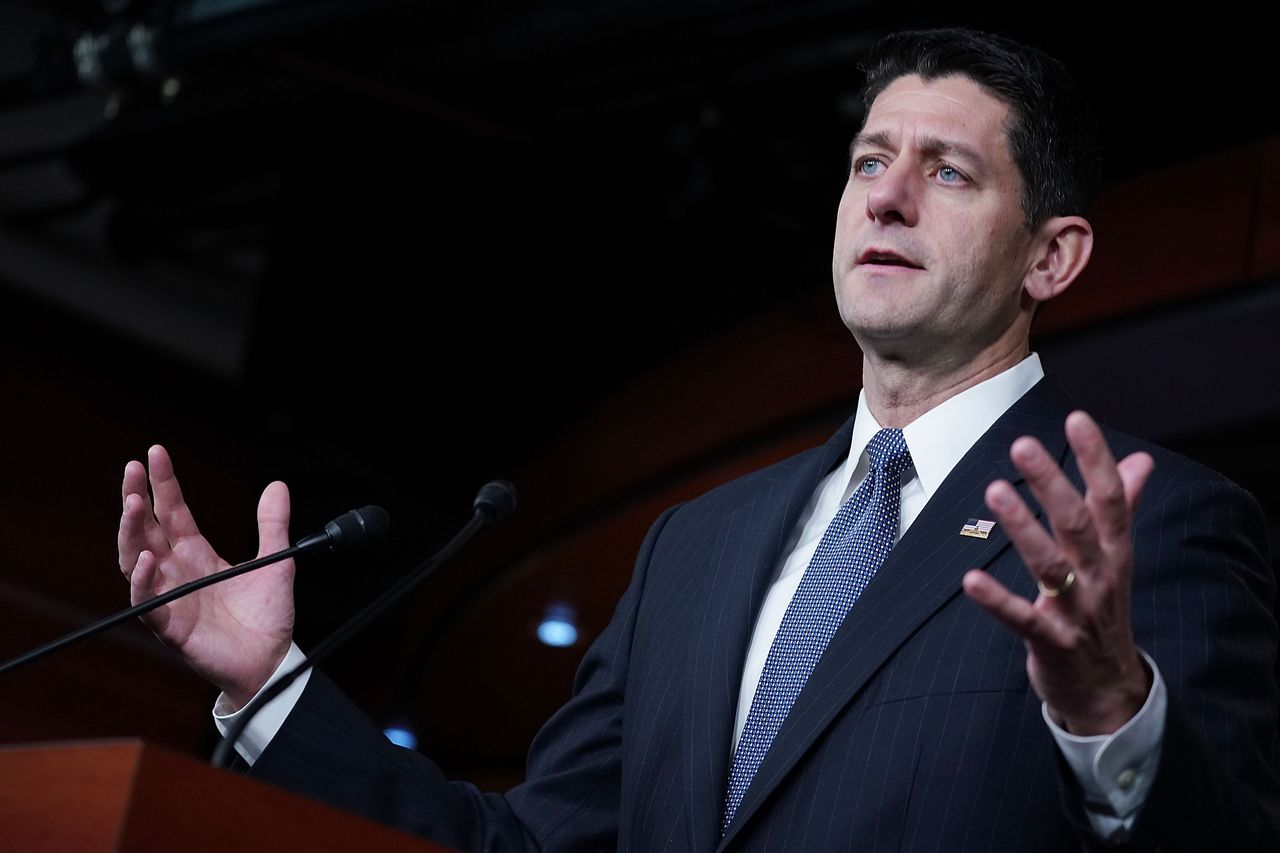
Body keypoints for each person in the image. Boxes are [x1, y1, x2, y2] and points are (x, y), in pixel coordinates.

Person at [118, 27, 1279, 851]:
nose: (884, 199)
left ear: (1050, 257)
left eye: (948, 171)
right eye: (869, 161)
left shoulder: (1152, 519)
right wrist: (271, 688)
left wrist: (1111, 713)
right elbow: (523, 843)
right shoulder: (696, 547)